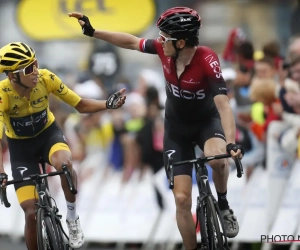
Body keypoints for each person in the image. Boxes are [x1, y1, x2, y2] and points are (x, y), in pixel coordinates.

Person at [69, 7, 244, 250]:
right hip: (176, 129)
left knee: (217, 160)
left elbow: (224, 107)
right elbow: (131, 41)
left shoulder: (207, 59)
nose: (159, 40)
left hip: (206, 123)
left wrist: (231, 142)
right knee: (182, 200)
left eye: (164, 37)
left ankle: (223, 205)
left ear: (181, 42)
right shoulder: (164, 50)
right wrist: (93, 32)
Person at [0, 42, 126, 250]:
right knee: (30, 213)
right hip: (21, 150)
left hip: (48, 136)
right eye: (29, 68)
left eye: (36, 64)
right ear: (13, 76)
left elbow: (80, 105)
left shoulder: (46, 78)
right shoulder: (2, 95)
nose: (36, 72)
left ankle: (72, 218)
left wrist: (107, 104)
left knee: (65, 165)